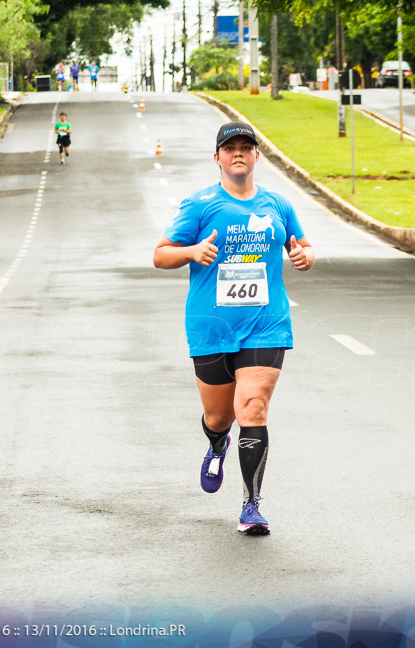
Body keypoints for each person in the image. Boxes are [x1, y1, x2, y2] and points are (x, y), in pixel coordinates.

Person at [153, 121, 315, 536]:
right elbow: (160, 256)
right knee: (219, 416)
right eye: (230, 148)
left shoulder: (278, 204)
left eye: (246, 147)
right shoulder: (200, 205)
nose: (238, 153)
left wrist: (305, 256)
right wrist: (191, 250)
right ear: (218, 157)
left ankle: (251, 505)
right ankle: (216, 444)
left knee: (253, 408)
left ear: (257, 156)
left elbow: (302, 244)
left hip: (266, 325)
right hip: (210, 327)